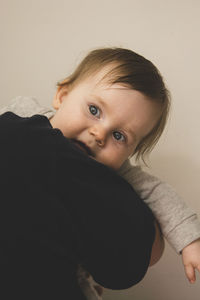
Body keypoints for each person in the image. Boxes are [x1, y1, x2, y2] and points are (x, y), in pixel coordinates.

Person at [1, 47, 200, 299]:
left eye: (119, 136)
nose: (99, 134)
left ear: (131, 151)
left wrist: (190, 242)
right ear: (62, 95)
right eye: (94, 110)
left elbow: (157, 192)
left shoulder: (118, 172)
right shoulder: (24, 112)